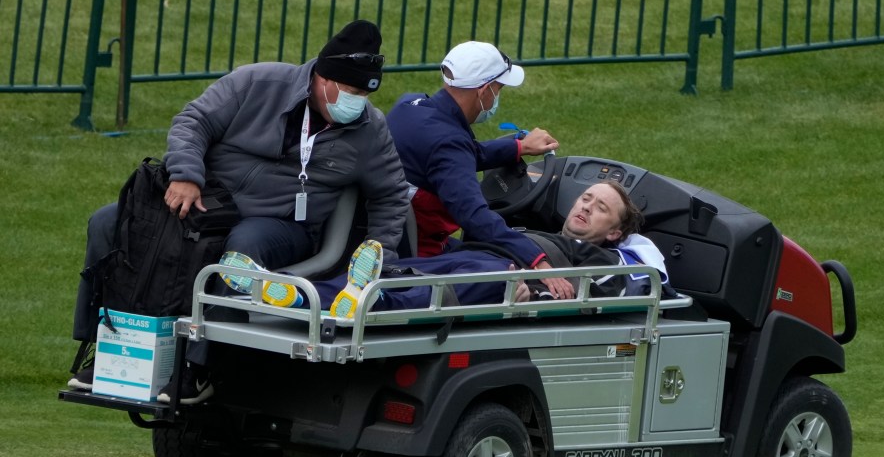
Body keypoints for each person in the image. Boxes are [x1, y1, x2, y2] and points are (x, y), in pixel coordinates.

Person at [68, 19, 409, 393]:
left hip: (282, 225)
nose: (357, 102)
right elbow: (193, 121)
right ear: (322, 78)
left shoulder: (370, 129)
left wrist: (380, 256)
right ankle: (104, 351)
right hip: (209, 202)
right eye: (351, 90)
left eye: (365, 93)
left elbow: (391, 194)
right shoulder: (257, 83)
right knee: (108, 222)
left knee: (243, 244)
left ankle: (198, 369)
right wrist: (186, 174)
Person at [220, 182, 670, 319]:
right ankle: (295, 294)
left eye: (601, 208)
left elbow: (606, 291)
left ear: (615, 232)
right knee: (390, 272)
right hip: (476, 254)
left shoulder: (603, 259)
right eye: (586, 199)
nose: (586, 207)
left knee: (422, 290)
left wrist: (541, 294)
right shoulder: (539, 230)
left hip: (503, 279)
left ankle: (349, 301)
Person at [385, 40, 574, 300]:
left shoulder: (409, 106)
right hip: (418, 256)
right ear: (484, 91)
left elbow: (458, 155)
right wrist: (538, 260)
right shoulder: (449, 143)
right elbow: (474, 215)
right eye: (498, 89)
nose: (497, 96)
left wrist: (518, 147)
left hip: (390, 239)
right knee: (501, 269)